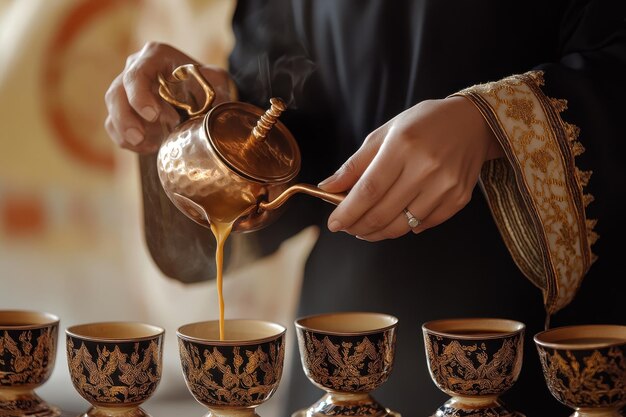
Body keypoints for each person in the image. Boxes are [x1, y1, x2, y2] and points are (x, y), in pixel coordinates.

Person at [105, 1, 626, 415]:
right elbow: (284, 112)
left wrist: (493, 123)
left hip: (543, 339)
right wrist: (191, 124)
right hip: (341, 347)